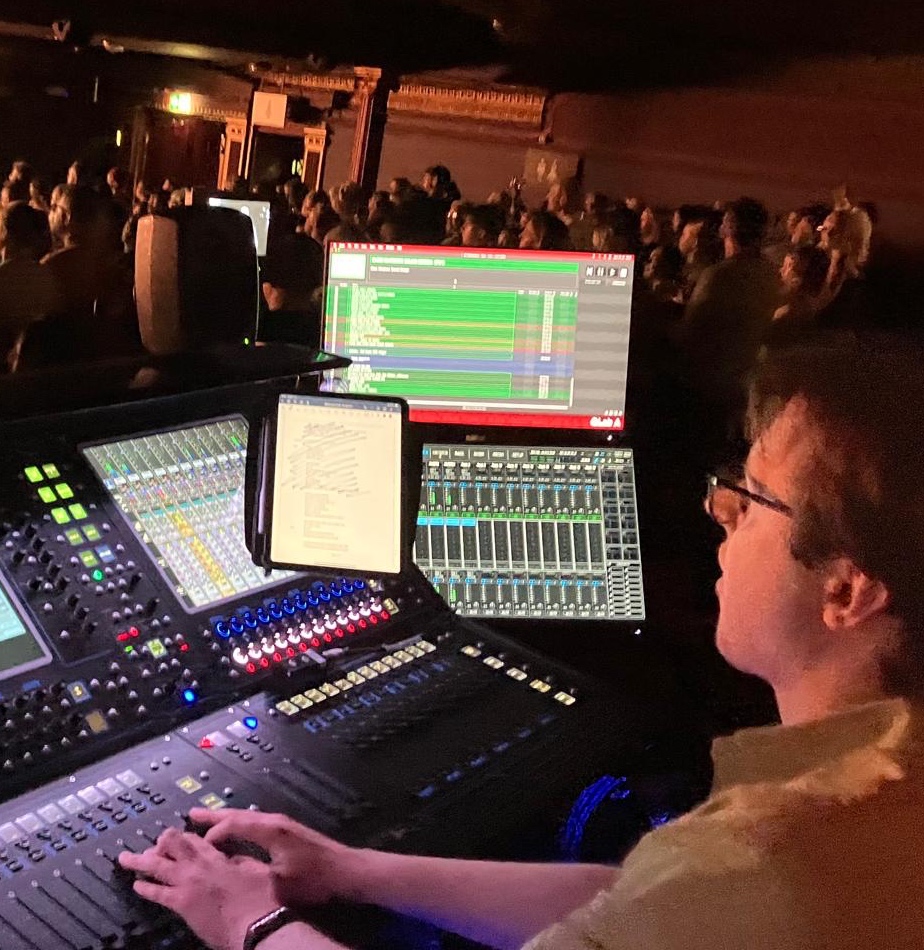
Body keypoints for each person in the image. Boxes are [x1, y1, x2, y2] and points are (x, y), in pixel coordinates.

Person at [120, 331, 924, 950]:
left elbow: (706, 889)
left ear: (846, 591)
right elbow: (631, 906)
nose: (719, 510)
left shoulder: (773, 857)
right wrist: (353, 870)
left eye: (749, 498)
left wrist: (248, 922)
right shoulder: (864, 789)